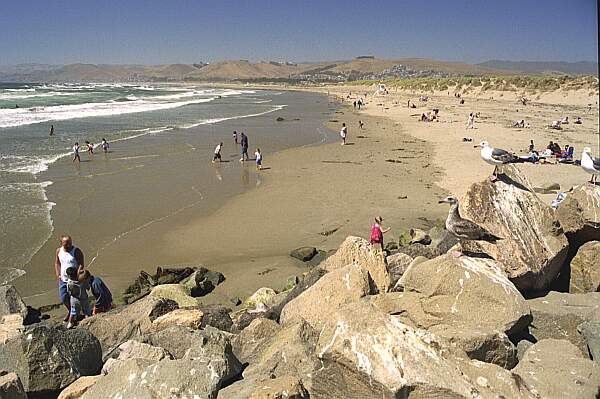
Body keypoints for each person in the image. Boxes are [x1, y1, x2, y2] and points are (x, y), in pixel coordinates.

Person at [54, 235, 84, 321]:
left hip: (73, 280)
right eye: (66, 244)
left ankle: (74, 315)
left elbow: (81, 264)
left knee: (74, 299)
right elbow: (57, 263)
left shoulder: (76, 251)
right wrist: (58, 274)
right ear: (62, 243)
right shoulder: (59, 251)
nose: (69, 245)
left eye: (70, 243)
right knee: (64, 298)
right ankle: (70, 311)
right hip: (63, 279)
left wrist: (78, 275)